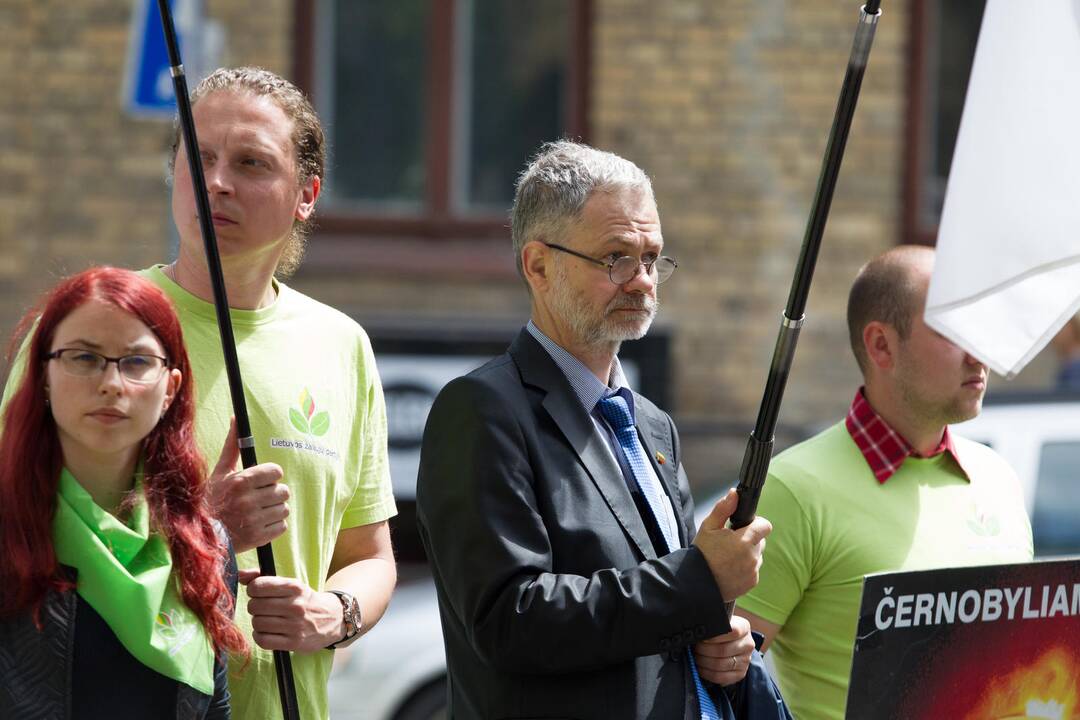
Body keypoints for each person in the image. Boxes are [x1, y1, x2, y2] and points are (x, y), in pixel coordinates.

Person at [417, 141, 779, 719]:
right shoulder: (484, 410)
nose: (641, 281)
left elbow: (662, 619)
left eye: (652, 257)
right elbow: (511, 619)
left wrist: (719, 646)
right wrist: (698, 579)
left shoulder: (651, 425)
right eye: (616, 258)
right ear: (538, 265)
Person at [153, 66, 398, 719]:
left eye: (251, 162)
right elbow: (24, 531)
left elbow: (369, 558)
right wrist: (203, 532)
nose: (216, 182)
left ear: (306, 193)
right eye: (198, 157)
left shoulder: (341, 345)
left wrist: (334, 613)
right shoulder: (93, 324)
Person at [735, 245, 1035, 720]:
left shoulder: (998, 477)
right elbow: (715, 685)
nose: (980, 353)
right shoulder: (793, 490)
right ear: (881, 346)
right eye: (955, 330)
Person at [0, 267, 246, 719]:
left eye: (136, 362)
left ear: (170, 388)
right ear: (43, 376)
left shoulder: (205, 546)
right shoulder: (8, 529)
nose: (112, 383)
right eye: (83, 357)